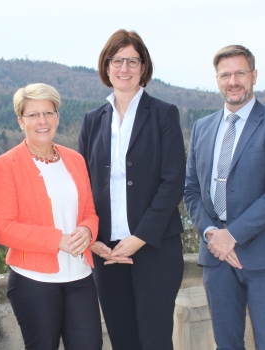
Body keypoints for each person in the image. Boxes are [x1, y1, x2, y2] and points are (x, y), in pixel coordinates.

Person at [184, 45, 265, 349]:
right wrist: (212, 234)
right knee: (226, 343)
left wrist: (232, 235)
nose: (233, 81)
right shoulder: (202, 127)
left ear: (254, 76)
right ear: (217, 79)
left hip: (263, 255)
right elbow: (192, 191)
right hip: (216, 257)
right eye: (225, 75)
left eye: (240, 73)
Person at [78, 29, 186, 350]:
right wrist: (94, 240)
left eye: (132, 61)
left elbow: (172, 183)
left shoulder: (164, 114)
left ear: (143, 68)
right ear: (106, 66)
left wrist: (138, 239)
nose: (124, 69)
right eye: (117, 61)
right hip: (107, 252)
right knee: (122, 340)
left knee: (154, 340)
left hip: (154, 249)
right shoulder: (92, 120)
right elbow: (82, 184)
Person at [0, 83, 102, 350]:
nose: (42, 121)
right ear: (20, 121)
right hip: (34, 281)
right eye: (33, 115)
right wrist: (58, 240)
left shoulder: (75, 160)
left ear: (57, 117)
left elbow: (89, 213)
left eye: (49, 113)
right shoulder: (5, 165)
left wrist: (87, 230)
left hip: (79, 275)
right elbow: (3, 228)